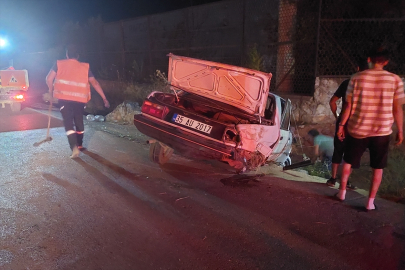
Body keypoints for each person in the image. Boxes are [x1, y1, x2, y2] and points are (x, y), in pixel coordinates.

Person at [336, 47, 405, 210]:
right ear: (386, 61)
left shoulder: (356, 78)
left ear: (369, 59)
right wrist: (400, 130)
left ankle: (342, 192)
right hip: (382, 130)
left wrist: (341, 125)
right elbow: (397, 108)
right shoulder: (395, 80)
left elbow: (348, 105)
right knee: (378, 167)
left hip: (358, 128)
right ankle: (370, 202)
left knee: (348, 162)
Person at [46, 44, 110, 158]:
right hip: (80, 100)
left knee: (68, 123)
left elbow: (49, 78)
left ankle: (74, 147)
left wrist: (50, 91)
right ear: (78, 56)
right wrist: (104, 98)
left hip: (64, 99)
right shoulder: (85, 67)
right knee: (79, 122)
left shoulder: (59, 64)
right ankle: (80, 144)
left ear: (66, 55)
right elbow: (94, 83)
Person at [327, 58, 369, 189]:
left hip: (343, 122)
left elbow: (332, 101)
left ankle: (333, 179)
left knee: (338, 150)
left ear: (357, 68)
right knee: (353, 153)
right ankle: (346, 181)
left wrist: (337, 116)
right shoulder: (368, 86)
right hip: (358, 123)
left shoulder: (347, 83)